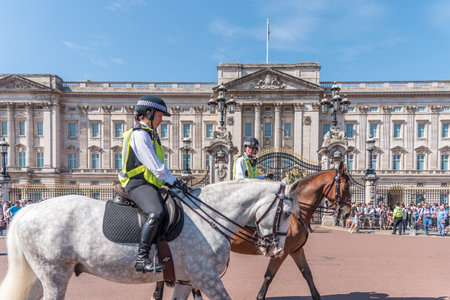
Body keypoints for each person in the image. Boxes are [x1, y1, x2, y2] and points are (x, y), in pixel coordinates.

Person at [118, 94, 185, 274]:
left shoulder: (150, 135)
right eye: (160, 116)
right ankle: (142, 258)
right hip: (136, 183)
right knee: (156, 212)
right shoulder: (139, 135)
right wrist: (172, 181)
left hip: (149, 184)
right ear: (148, 113)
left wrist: (171, 181)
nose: (161, 120)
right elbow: (154, 165)